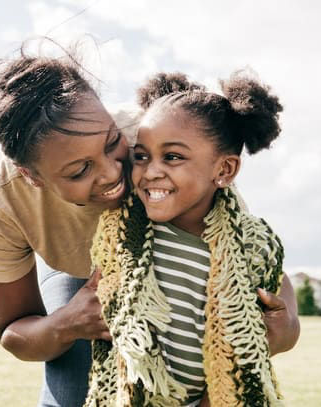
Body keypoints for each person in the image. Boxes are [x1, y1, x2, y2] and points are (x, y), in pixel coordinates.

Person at [0, 50, 300, 407]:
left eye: (114, 145)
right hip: (79, 272)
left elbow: (245, 265)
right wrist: (67, 323)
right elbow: (13, 330)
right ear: (31, 176)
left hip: (162, 275)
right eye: (79, 170)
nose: (114, 174)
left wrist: (285, 328)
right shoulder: (1, 199)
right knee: (71, 389)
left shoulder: (158, 140)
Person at [85, 72, 294, 407]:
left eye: (172, 157)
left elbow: (275, 297)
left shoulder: (247, 245)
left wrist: (290, 326)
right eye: (142, 156)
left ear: (224, 170)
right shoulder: (125, 233)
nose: (151, 171)